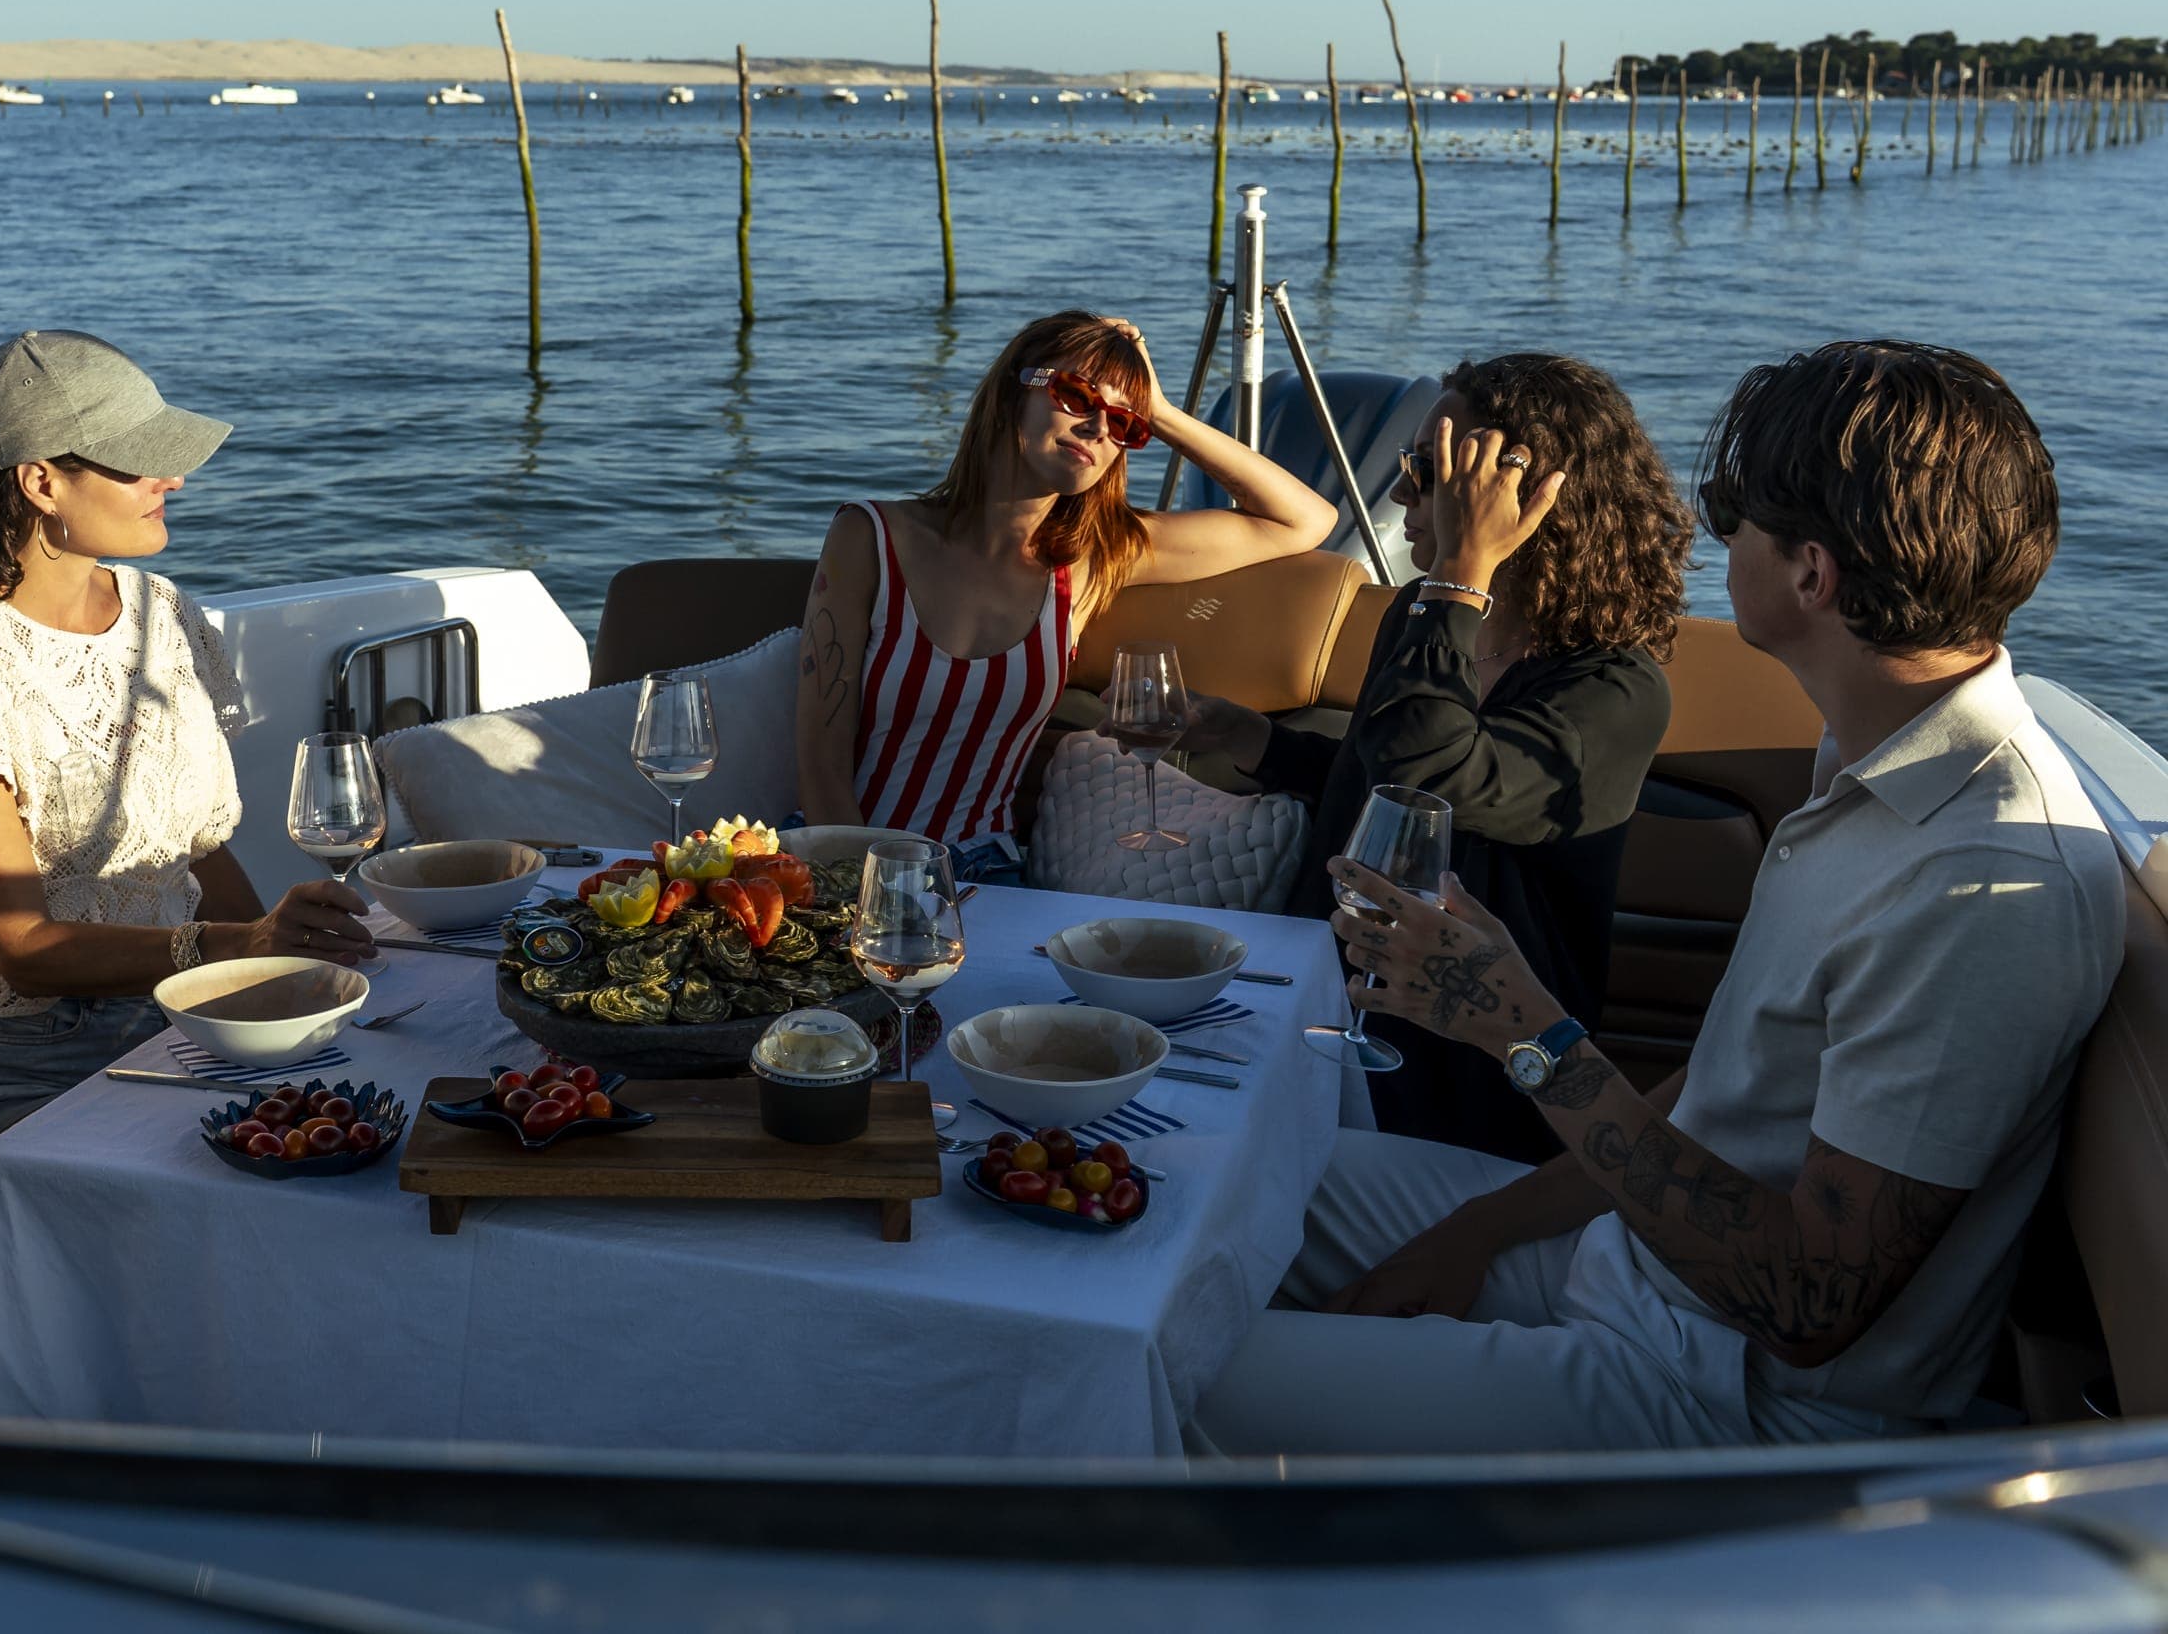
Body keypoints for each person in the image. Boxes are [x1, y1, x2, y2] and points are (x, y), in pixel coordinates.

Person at [1189, 341, 2122, 1454]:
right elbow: (1720, 1089)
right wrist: (1477, 1229)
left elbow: (1808, 1308)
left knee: (1164, 1366)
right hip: (1623, 1258)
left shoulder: (1980, 883)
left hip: (1720, 1388)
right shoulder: (1872, 769)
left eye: (1735, 513)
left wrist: (1526, 1031)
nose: (1716, 539)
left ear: (1812, 575)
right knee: (1200, 1172)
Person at [0, 329, 372, 1213]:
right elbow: (23, 953)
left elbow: (197, 853)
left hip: (179, 1030)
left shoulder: (164, 616)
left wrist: (294, 972)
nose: (173, 480)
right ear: (41, 480)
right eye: (139, 463)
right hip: (10, 1075)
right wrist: (240, 950)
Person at [1175, 354, 1684, 1160]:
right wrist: (1255, 741)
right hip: (1335, 1005)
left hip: (1464, 1075)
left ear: (1522, 496)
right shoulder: (1423, 614)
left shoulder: (1614, 688)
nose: (1402, 493)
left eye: (1428, 471)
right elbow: (1381, 786)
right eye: (1409, 465)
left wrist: (1461, 574)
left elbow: (1432, 779)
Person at [794, 309, 1337, 864]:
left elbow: (1305, 521)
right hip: (844, 857)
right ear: (1014, 393)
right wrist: (863, 891)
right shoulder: (871, 536)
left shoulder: (1091, 562)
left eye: (1125, 424)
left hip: (986, 868)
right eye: (1078, 397)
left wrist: (1163, 412)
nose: (1100, 429)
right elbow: (821, 760)